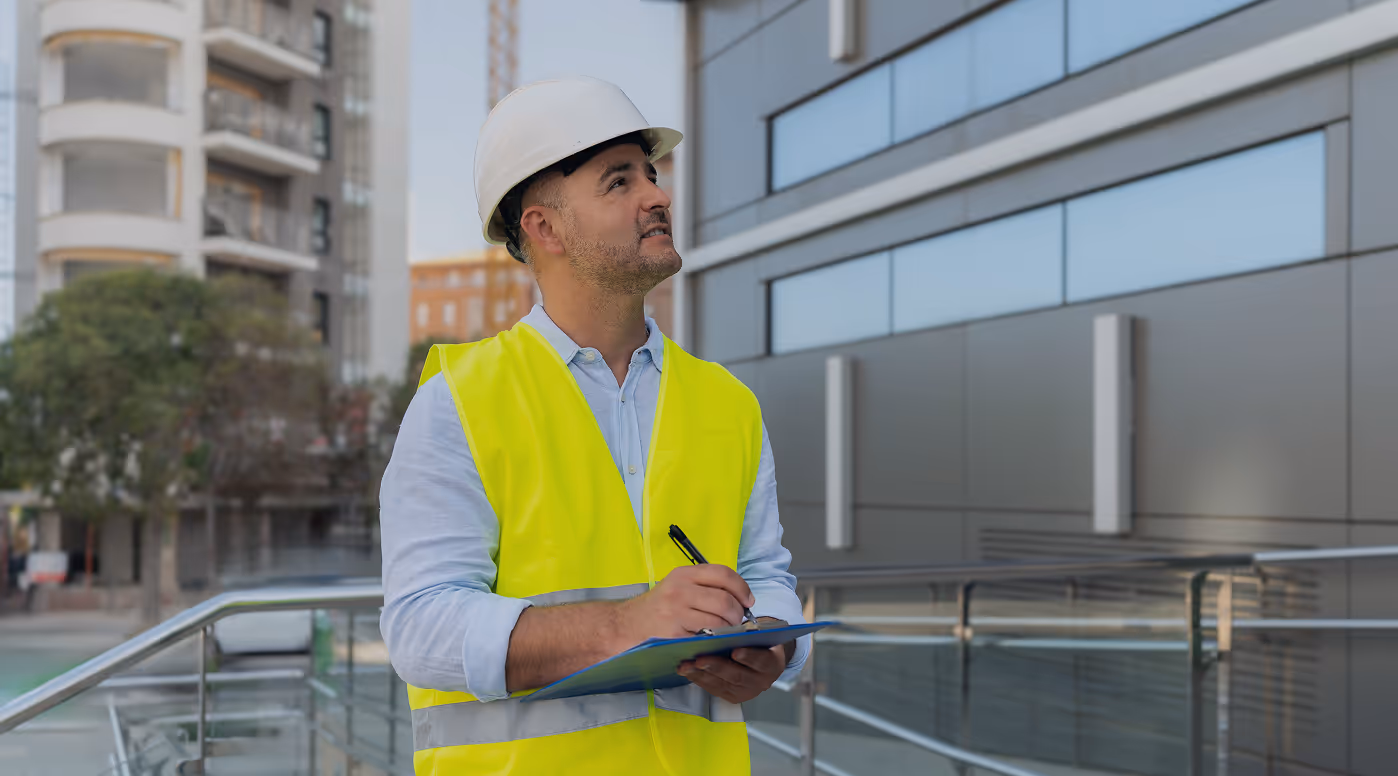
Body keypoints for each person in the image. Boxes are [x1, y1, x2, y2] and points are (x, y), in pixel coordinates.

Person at [379, 76, 809, 775]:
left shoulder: (728, 402)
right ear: (544, 228)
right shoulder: (459, 399)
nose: (658, 196)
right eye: (618, 182)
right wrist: (626, 627)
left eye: (652, 175)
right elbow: (421, 626)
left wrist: (773, 642)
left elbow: (766, 574)